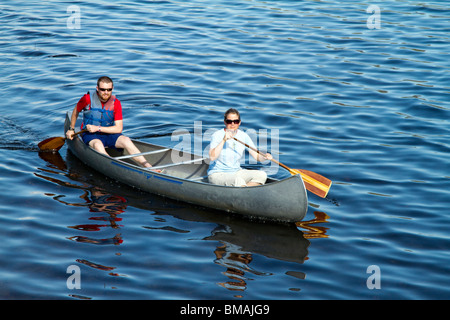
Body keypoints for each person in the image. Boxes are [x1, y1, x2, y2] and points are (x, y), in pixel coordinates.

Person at [65, 76, 159, 171]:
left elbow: (118, 129)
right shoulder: (87, 99)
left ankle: (149, 167)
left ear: (112, 89)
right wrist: (71, 129)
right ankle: (119, 168)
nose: (106, 92)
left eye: (109, 90)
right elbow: (76, 110)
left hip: (107, 133)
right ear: (97, 88)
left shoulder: (116, 103)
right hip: (90, 134)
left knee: (126, 140)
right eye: (103, 89)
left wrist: (97, 128)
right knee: (98, 144)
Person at [208, 108, 273, 187]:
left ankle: (243, 191)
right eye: (229, 121)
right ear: (225, 122)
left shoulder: (243, 136)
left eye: (235, 121)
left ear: (239, 123)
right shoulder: (217, 135)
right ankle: (243, 192)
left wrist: (265, 157)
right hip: (217, 174)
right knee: (237, 180)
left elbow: (256, 156)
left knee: (262, 175)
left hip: (236, 172)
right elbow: (212, 157)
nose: (232, 124)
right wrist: (224, 140)